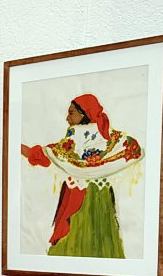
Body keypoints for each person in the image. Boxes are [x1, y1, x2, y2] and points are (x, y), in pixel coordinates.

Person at [21, 94, 144, 258]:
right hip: (102, 194)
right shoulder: (112, 137)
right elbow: (133, 150)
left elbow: (49, 154)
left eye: (71, 113)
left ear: (85, 113)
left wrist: (21, 148)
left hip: (78, 194)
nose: (67, 118)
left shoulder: (77, 135)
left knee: (76, 233)